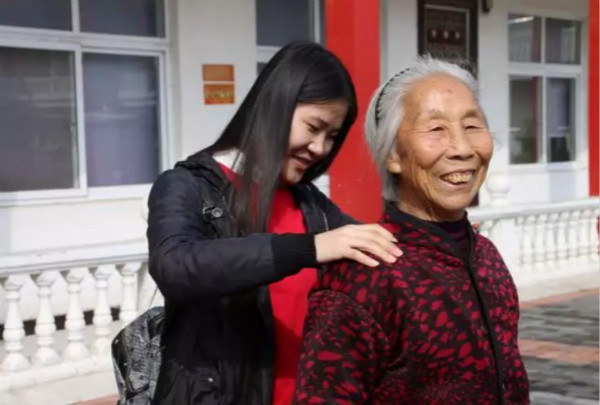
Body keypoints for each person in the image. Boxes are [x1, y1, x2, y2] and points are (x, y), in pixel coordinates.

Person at [144, 41, 403, 405]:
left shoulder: (310, 204)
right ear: (275, 107)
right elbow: (175, 266)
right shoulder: (188, 186)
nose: (320, 148)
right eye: (313, 127)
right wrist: (309, 247)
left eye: (332, 136)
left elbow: (378, 247)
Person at [293, 57, 530, 405]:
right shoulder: (365, 276)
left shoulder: (486, 257)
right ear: (393, 155)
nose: (462, 149)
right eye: (436, 129)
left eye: (472, 126)